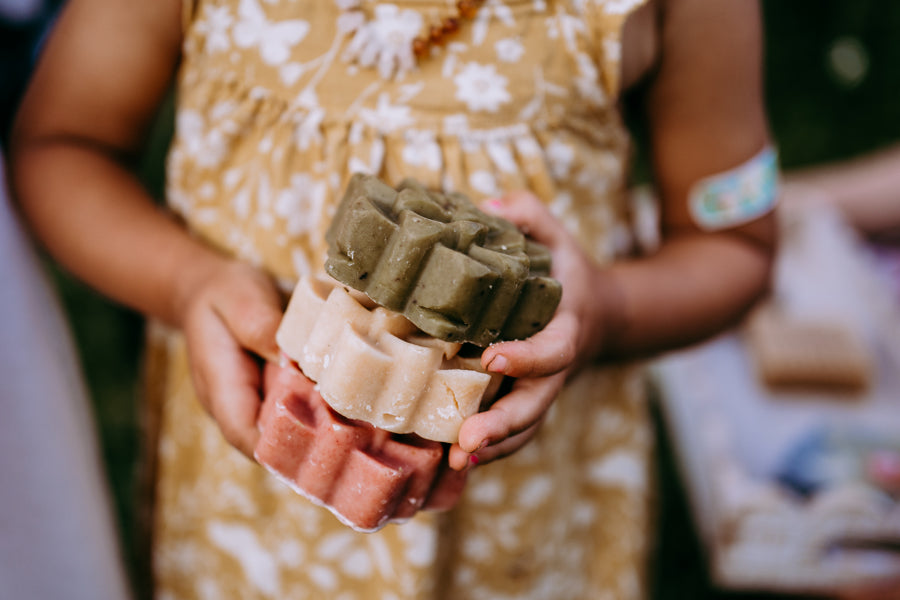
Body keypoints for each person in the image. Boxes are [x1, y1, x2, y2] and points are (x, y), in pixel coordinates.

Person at [8, 0, 776, 597]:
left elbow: (737, 243)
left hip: (522, 532)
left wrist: (603, 310)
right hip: (250, 513)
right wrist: (186, 283)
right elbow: (59, 145)